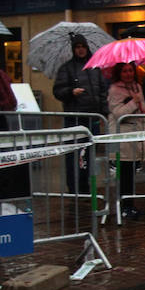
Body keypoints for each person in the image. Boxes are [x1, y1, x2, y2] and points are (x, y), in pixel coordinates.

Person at [53, 34, 108, 193]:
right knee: (73, 155)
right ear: (73, 49)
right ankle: (73, 186)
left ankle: (85, 185)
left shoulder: (95, 67)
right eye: (77, 47)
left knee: (89, 155)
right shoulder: (67, 68)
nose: (81, 50)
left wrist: (104, 113)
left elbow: (102, 91)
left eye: (83, 46)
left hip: (93, 117)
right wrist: (71, 92)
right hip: (75, 118)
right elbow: (58, 91)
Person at [107, 62, 145, 218]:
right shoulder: (115, 89)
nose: (128, 74)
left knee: (131, 172)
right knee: (124, 172)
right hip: (123, 135)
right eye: (124, 71)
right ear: (119, 73)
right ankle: (125, 206)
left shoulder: (137, 86)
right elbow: (118, 113)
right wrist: (133, 102)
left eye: (131, 70)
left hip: (136, 135)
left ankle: (129, 205)